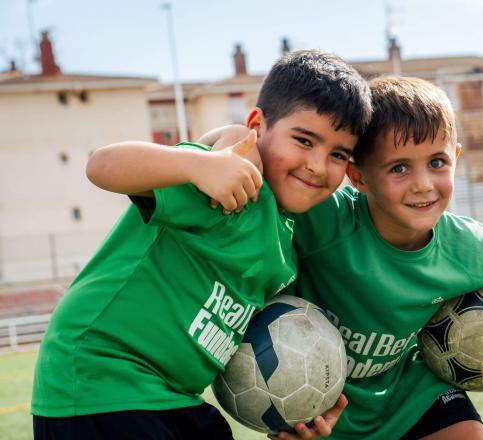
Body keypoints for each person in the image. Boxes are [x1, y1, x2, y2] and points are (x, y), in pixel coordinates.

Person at [31, 50, 372, 440]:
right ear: (257, 126)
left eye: (337, 154)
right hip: (102, 379)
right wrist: (198, 164)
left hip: (175, 397)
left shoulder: (286, 242)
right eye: (304, 140)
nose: (317, 164)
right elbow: (102, 165)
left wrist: (290, 410)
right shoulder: (222, 180)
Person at [282, 76, 483, 439]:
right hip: (322, 406)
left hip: (410, 393)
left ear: (456, 158)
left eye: (437, 162)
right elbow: (265, 169)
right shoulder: (325, 219)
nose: (423, 184)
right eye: (399, 168)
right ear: (358, 177)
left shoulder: (463, 245)